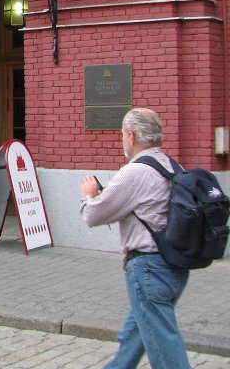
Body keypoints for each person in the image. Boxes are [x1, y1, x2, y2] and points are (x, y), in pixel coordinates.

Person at [81, 108, 191, 369]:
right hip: (174, 266)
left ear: (131, 136)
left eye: (121, 135)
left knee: (165, 350)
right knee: (135, 337)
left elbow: (94, 215)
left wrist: (88, 195)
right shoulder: (173, 166)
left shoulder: (135, 172)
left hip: (148, 270)